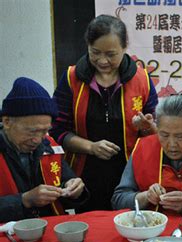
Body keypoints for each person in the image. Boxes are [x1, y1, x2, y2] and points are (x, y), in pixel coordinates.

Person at [50, 15, 158, 212]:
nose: (102, 60)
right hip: (84, 173)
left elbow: (156, 130)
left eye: (111, 54)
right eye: (95, 52)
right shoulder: (71, 78)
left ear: (125, 47)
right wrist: (91, 147)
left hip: (130, 175)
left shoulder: (141, 79)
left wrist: (148, 128)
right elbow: (57, 129)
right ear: (87, 46)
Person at [0, 77, 87, 222]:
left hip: (48, 230)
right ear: (7, 121)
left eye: (45, 131)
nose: (38, 140)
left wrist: (75, 189)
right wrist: (24, 200)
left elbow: (66, 181)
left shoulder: (49, 146)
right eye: (32, 131)